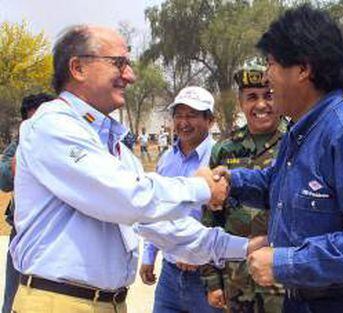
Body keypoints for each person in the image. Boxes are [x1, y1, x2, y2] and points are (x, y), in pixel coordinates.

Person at [10, 25, 248, 313]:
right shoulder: (52, 126)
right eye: (119, 63)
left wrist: (247, 247)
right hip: (59, 303)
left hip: (109, 303)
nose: (130, 75)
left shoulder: (116, 149)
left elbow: (166, 227)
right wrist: (201, 187)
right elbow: (127, 197)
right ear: (78, 68)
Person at [214, 5, 343, 313]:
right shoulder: (301, 131)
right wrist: (230, 182)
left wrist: (286, 262)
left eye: (272, 64)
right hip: (300, 301)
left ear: (303, 69)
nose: (267, 77)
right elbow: (277, 188)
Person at [201, 59, 286, 313]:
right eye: (251, 97)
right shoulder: (225, 150)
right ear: (241, 103)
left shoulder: (297, 143)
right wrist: (212, 280)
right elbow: (210, 219)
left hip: (283, 283)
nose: (261, 104)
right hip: (236, 282)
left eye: (268, 95)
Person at [139, 86, 222, 313]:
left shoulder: (220, 158)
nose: (184, 122)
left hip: (207, 277)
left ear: (210, 120)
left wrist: (198, 252)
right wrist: (149, 255)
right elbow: (155, 209)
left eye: (192, 115)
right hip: (170, 275)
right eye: (179, 115)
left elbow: (227, 218)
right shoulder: (166, 160)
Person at [0, 93, 54, 313]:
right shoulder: (20, 144)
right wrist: (15, 168)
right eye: (32, 121)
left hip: (55, 234)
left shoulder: (64, 145)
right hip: (21, 232)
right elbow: (3, 180)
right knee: (12, 297)